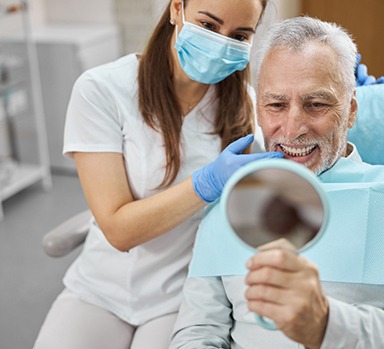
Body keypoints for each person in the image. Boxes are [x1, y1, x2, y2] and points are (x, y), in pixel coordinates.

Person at [32, 1, 287, 348]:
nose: (222, 43)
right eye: (209, 26)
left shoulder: (246, 107)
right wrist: (206, 183)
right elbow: (119, 230)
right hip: (99, 289)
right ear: (176, 9)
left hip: (181, 296)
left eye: (239, 35)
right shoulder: (103, 90)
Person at [170, 16, 384, 349]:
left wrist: (326, 324)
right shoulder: (227, 205)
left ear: (351, 110)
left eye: (316, 104)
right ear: (258, 111)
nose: (292, 127)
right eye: (276, 105)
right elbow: (198, 329)